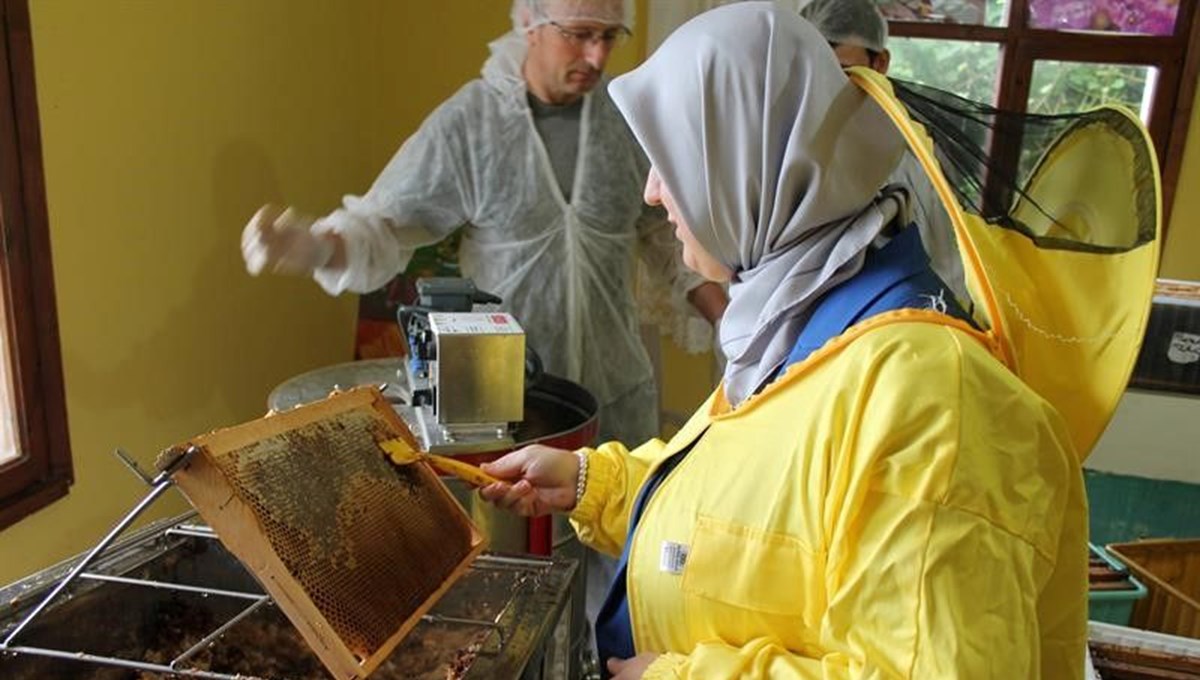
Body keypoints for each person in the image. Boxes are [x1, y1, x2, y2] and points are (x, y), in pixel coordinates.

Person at [479, 3, 1090, 678]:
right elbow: (761, 512)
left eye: (670, 162)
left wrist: (675, 677)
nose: (653, 193)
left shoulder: (936, 404)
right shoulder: (795, 325)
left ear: (745, 165)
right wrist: (596, 484)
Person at [239, 0, 726, 663]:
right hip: (510, 408)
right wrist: (314, 248)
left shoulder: (623, 122)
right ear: (531, 22)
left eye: (609, 37)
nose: (597, 57)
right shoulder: (474, 122)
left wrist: (740, 321)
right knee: (518, 585)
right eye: (580, 36)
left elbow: (668, 246)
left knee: (628, 565)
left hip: (618, 392)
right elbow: (385, 223)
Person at [801, 0, 967, 305]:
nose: (827, 86)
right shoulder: (788, 148)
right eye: (813, 70)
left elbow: (949, 266)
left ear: (880, 63)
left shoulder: (914, 155)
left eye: (842, 70)